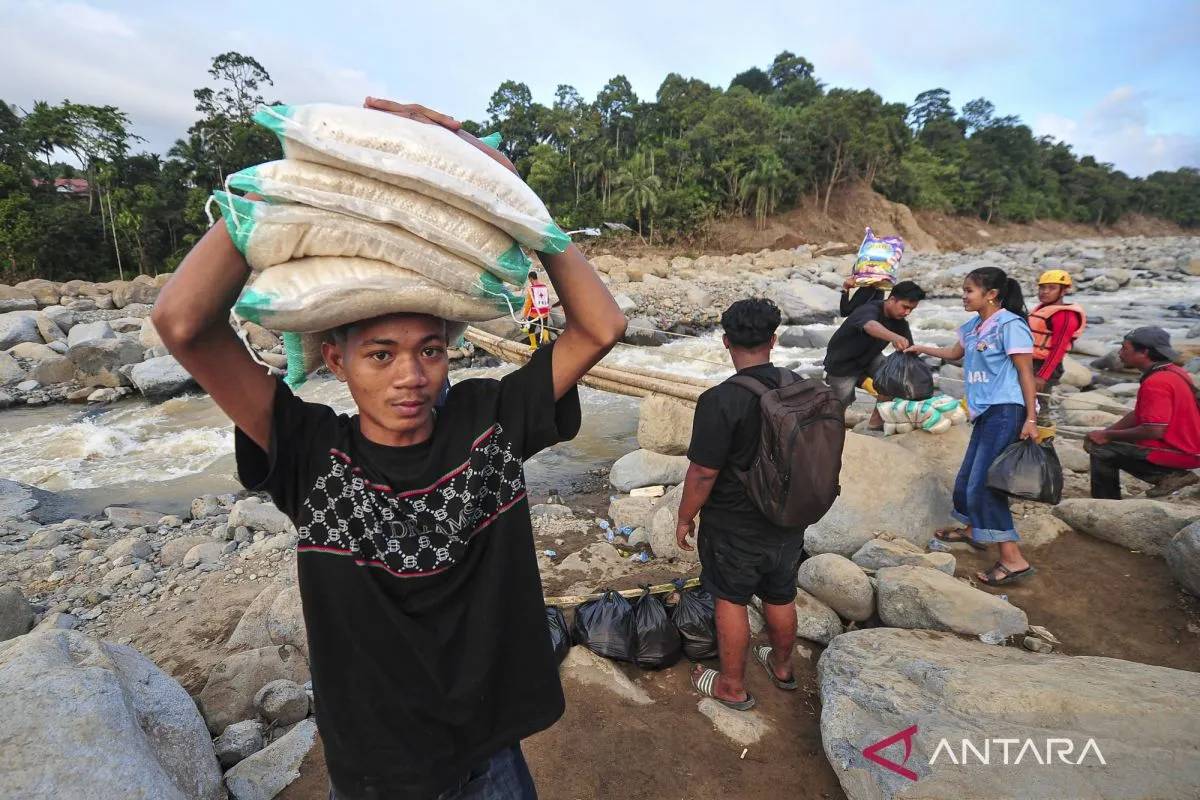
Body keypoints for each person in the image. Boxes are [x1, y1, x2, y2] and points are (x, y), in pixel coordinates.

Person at [152, 98, 627, 800]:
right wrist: (279, 191)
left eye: (430, 350)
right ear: (336, 363)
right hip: (379, 771)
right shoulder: (309, 451)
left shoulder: (489, 423)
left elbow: (601, 327)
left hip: (491, 751)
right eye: (381, 354)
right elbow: (183, 324)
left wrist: (532, 218)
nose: (411, 376)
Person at [674, 298, 805, 711]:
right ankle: (782, 668)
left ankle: (732, 686)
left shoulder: (720, 399)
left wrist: (684, 516)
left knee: (730, 598)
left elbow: (703, 473)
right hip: (787, 518)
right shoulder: (798, 386)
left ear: (726, 341)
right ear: (774, 339)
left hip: (735, 524)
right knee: (781, 594)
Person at [906, 267, 1039, 586]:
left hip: (1007, 410)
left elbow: (1025, 372)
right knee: (968, 476)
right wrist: (919, 348)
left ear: (991, 294)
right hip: (984, 411)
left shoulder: (1010, 325)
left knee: (984, 483)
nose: (964, 296)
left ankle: (1013, 559)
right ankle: (972, 530)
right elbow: (954, 354)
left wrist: (1032, 418)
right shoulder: (974, 326)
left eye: (969, 291)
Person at [1084, 327, 1200, 499]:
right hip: (1189, 446)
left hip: (1180, 452)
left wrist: (1107, 437)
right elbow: (1139, 414)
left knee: (1100, 448)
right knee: (1101, 439)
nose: (1120, 352)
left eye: (1125, 348)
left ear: (1144, 352)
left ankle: (1166, 477)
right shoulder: (1173, 370)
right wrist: (1106, 432)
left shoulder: (1156, 382)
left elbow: (1154, 430)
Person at [823, 280, 926, 428]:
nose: (907, 313)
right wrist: (894, 337)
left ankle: (875, 422)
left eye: (911, 310)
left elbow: (909, 350)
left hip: (870, 358)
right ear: (891, 300)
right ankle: (829, 429)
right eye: (905, 307)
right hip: (842, 363)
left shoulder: (901, 323)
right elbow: (870, 326)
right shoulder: (869, 309)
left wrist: (918, 369)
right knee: (839, 404)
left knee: (893, 378)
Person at [1028, 269, 1086, 429]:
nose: (1045, 292)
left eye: (1051, 288)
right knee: (1025, 403)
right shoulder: (1043, 309)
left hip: (1043, 367)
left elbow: (1058, 350)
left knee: (1039, 406)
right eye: (1042, 288)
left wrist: (1042, 377)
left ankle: (1042, 442)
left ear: (1064, 290)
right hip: (1030, 362)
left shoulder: (1065, 316)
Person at [522, 269, 552, 350]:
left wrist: (525, 315)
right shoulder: (544, 286)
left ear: (531, 279)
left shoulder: (531, 289)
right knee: (544, 326)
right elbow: (547, 298)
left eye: (530, 280)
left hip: (534, 314)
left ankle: (533, 345)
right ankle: (546, 339)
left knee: (531, 329)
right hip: (544, 312)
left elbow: (528, 304)